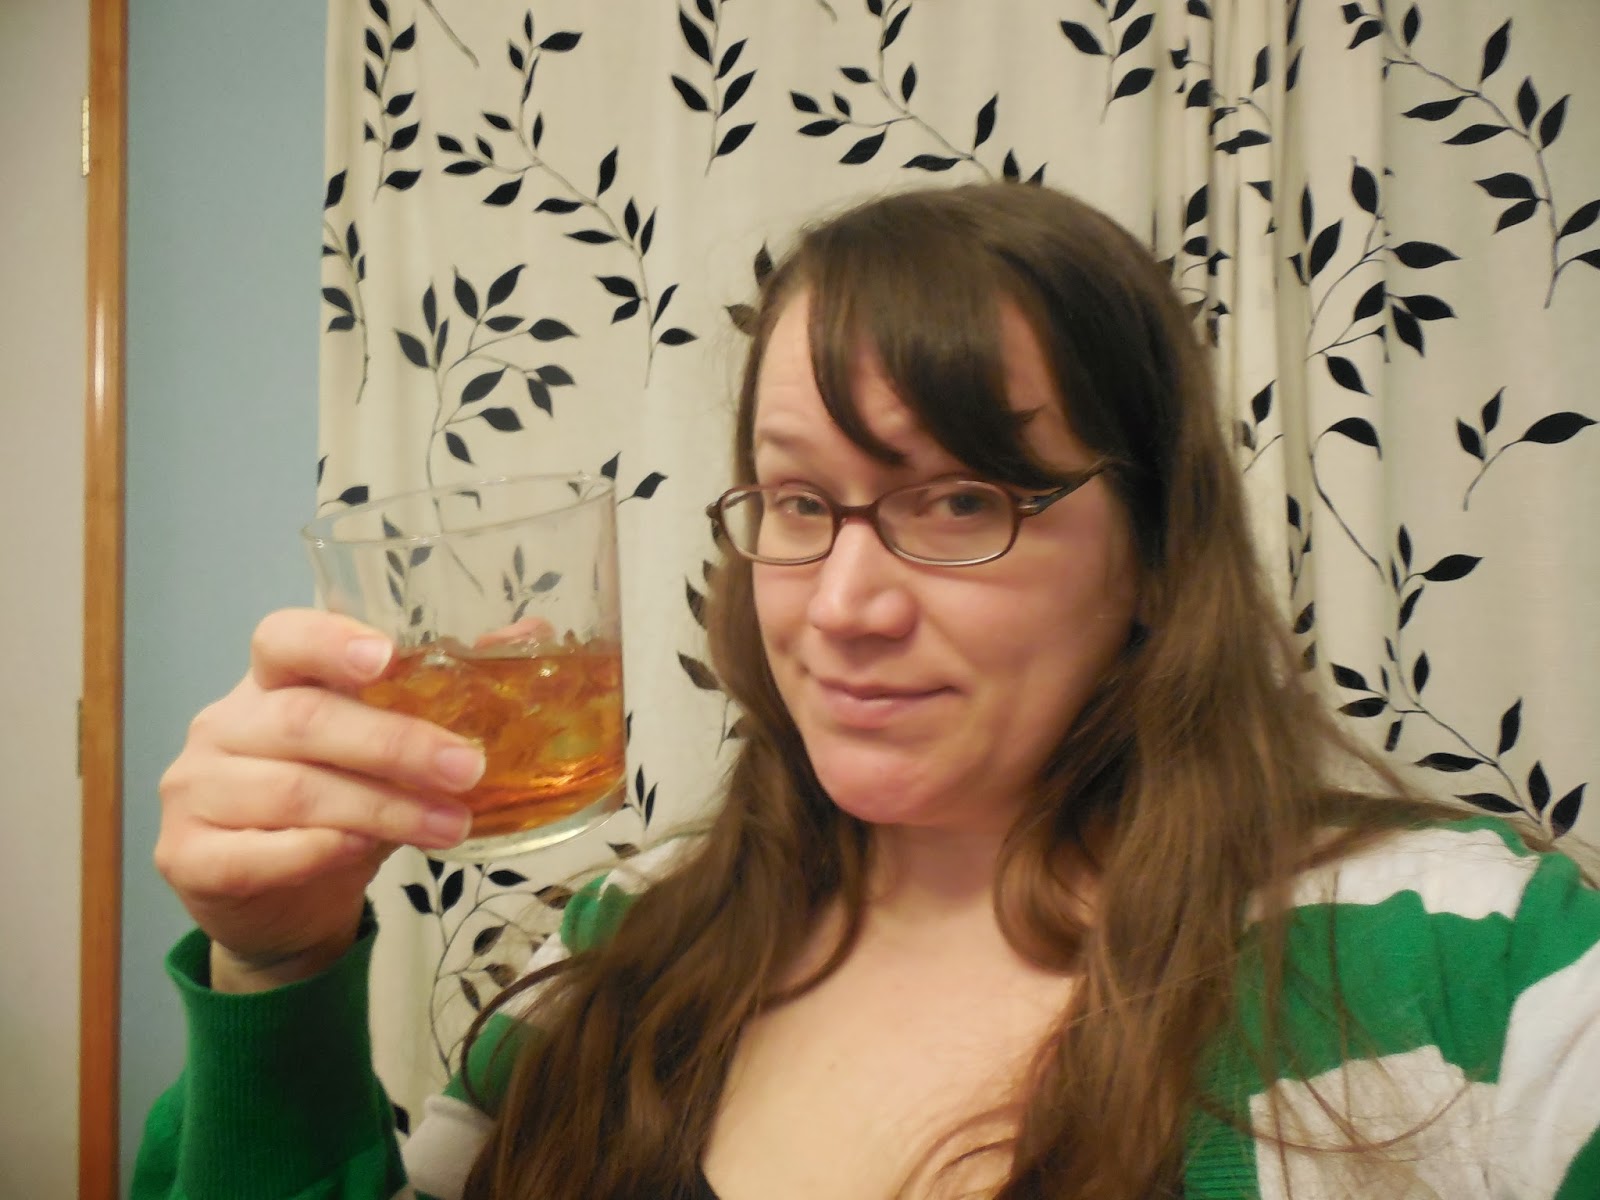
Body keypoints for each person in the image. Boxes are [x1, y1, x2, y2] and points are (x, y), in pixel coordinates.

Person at [133, 183, 1600, 1200]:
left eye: (961, 501)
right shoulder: (612, 961)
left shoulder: (1481, 964)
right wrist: (278, 971)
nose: (841, 606)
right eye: (796, 501)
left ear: (1155, 549)